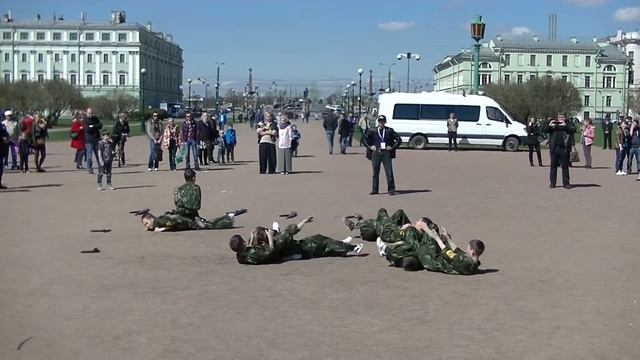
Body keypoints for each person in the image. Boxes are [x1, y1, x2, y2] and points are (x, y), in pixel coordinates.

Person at [230, 216, 363, 265]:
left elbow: (252, 250)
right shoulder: (274, 243)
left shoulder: (242, 255)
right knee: (321, 241)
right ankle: (351, 248)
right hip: (297, 250)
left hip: (290, 250)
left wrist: (254, 238)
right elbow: (271, 250)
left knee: (324, 248)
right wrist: (271, 237)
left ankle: (342, 245)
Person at [379, 224, 485, 276]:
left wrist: (436, 237)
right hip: (436, 257)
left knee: (416, 245)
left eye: (468, 248)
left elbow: (447, 252)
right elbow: (457, 251)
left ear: (473, 252)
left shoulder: (465, 264)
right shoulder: (473, 262)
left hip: (433, 260)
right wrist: (447, 238)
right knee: (430, 231)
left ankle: (387, 251)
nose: (466, 250)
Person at [363, 115, 402, 195]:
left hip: (386, 153)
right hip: (376, 153)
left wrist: (392, 147)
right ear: (378, 122)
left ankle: (391, 189)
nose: (381, 123)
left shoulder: (389, 130)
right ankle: (375, 189)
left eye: (382, 121)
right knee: (375, 173)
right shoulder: (372, 130)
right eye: (380, 121)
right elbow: (364, 139)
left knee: (389, 172)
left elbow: (399, 139)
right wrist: (370, 147)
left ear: (385, 122)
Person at [544, 113, 574, 189]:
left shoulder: (568, 123)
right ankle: (552, 183)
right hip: (554, 148)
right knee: (553, 166)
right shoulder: (553, 123)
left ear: (565, 117)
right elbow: (544, 130)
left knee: (565, 167)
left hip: (564, 148)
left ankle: (566, 183)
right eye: (559, 117)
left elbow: (573, 129)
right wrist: (549, 125)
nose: (561, 118)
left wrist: (565, 126)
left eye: (562, 117)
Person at [141, 211, 240, 232]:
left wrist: (161, 229)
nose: (147, 226)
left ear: (152, 219)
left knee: (208, 225)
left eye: (147, 223)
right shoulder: (158, 220)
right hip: (186, 220)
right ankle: (229, 216)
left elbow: (173, 224)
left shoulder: (159, 221)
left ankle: (229, 218)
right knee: (208, 224)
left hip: (188, 222)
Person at [83, 107, 103, 174]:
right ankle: (90, 169)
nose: (90, 115)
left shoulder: (95, 119)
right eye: (89, 113)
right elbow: (87, 129)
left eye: (91, 113)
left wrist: (93, 126)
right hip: (89, 141)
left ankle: (101, 169)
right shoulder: (85, 120)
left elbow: (100, 125)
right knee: (89, 156)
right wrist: (94, 127)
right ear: (86, 113)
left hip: (96, 140)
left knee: (99, 156)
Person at [0, 117, 9, 188]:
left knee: (0, 167)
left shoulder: (1, 125)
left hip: (1, 148)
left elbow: (6, 134)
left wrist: (5, 137)